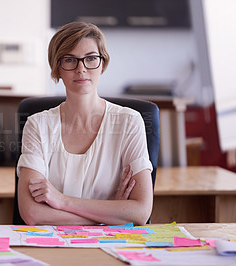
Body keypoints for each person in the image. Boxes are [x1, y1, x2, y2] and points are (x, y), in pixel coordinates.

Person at [17, 22, 153, 226]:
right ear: (57, 68)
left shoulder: (129, 121)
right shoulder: (37, 125)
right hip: (51, 247)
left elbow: (140, 212)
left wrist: (62, 201)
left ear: (103, 64)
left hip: (114, 246)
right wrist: (109, 215)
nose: (81, 69)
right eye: (70, 60)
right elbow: (32, 214)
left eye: (90, 58)